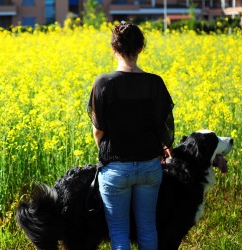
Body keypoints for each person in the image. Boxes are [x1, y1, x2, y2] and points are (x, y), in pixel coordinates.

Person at [87, 22, 174, 250]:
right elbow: (165, 127)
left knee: (119, 231)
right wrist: (165, 147)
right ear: (141, 48)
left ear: (114, 48)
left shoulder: (103, 83)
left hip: (116, 168)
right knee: (147, 228)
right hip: (149, 167)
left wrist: (103, 151)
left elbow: (98, 130)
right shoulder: (155, 83)